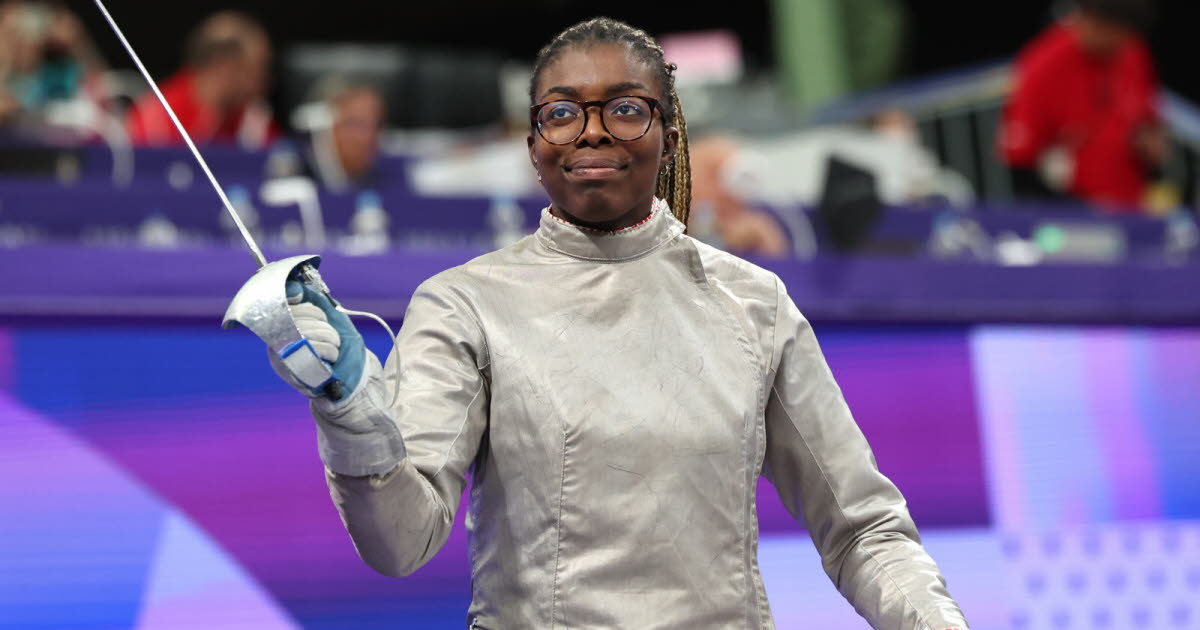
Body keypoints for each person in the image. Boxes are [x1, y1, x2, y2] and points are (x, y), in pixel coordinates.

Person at [266, 17, 971, 629]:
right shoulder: (465, 304)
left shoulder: (754, 305)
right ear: (534, 143)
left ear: (669, 135)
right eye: (562, 112)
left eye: (626, 109)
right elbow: (400, 541)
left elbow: (862, 530)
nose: (594, 130)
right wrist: (353, 414)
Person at [999, 0, 1162, 211]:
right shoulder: (1043, 64)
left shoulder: (1133, 53)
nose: (1116, 42)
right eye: (1102, 28)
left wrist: (1150, 139)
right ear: (1086, 18)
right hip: (1068, 210)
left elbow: (1147, 118)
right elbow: (1020, 158)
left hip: (1128, 206)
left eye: (1123, 35)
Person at [124, 10, 276, 148]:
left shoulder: (256, 120)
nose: (265, 81)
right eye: (257, 68)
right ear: (223, 65)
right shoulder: (156, 115)